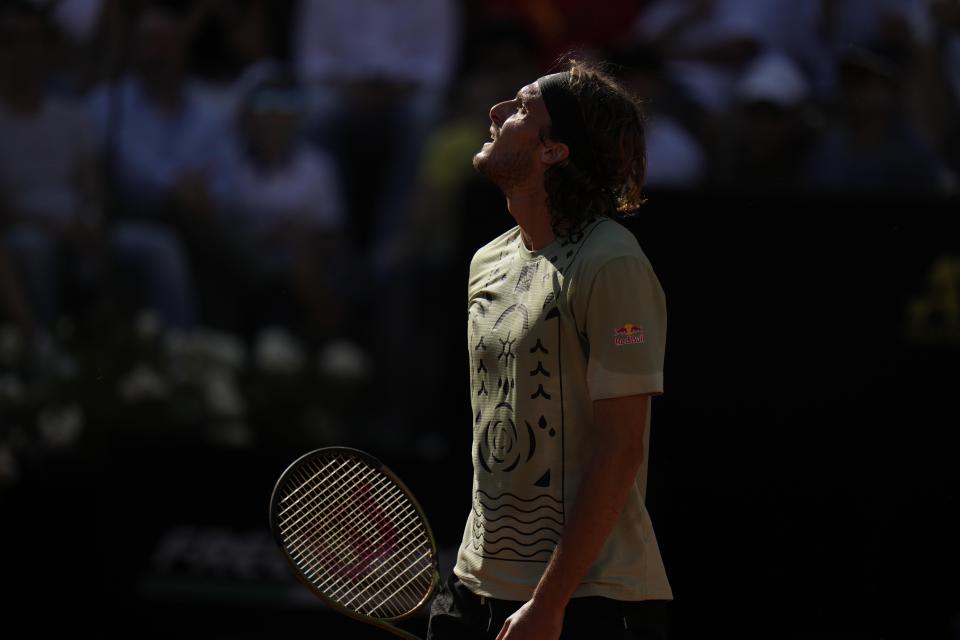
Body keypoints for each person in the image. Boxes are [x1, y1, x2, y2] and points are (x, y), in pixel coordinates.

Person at [427, 60, 672, 640]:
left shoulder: (613, 263)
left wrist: (549, 603)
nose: (495, 113)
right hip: (474, 584)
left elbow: (620, 449)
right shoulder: (486, 261)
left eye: (519, 109)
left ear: (553, 151)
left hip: (588, 600)